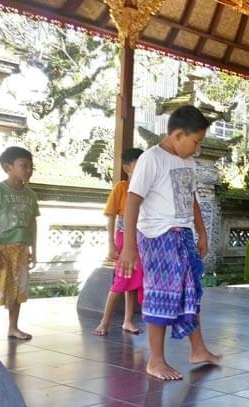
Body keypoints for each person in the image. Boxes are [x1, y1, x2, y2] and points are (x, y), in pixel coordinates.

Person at [118, 105, 221, 381]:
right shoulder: (151, 159)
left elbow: (192, 199)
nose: (197, 149)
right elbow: (133, 200)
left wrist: (201, 232)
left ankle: (198, 349)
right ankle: (156, 360)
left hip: (183, 235)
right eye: (195, 142)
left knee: (191, 291)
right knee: (161, 296)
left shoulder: (187, 162)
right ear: (177, 135)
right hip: (157, 237)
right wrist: (129, 247)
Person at [0, 146, 38, 344]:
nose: (28, 169)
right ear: (8, 167)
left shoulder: (31, 195)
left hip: (21, 248)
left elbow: (33, 222)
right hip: (0, 247)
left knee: (17, 290)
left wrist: (34, 249)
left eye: (30, 166)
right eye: (24, 165)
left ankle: (13, 327)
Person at [92, 148, 145, 336]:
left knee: (133, 282)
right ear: (126, 167)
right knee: (121, 281)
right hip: (124, 239)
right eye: (139, 164)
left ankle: (128, 321)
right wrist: (111, 244)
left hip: (142, 240)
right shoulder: (121, 188)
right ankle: (104, 322)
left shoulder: (147, 189)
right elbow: (111, 216)